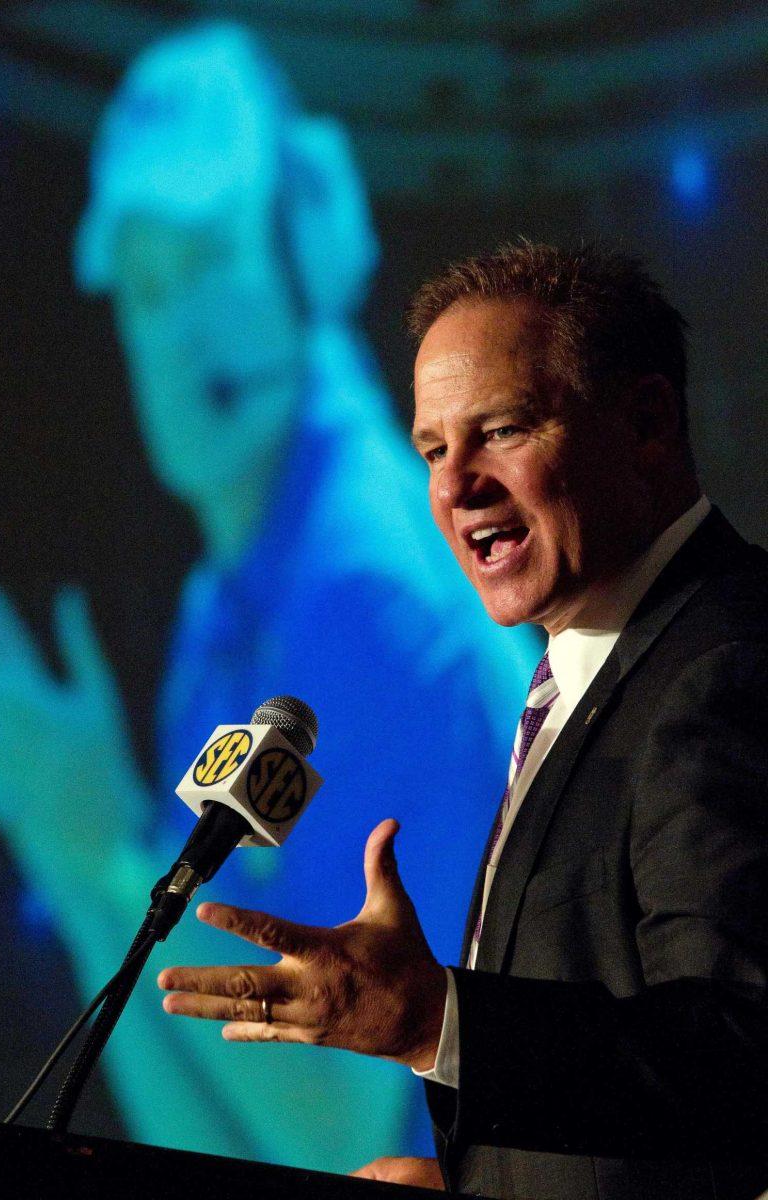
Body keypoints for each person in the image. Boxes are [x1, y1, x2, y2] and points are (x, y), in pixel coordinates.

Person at [0, 25, 536, 1171]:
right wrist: (75, 861)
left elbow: (332, 1132)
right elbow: (201, 1120)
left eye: (209, 260)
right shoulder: (235, 589)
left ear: (303, 251)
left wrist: (103, 840)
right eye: (147, 290)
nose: (178, 332)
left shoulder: (359, 592)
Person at [156, 242, 768, 1200]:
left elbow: (743, 1054)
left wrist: (436, 1018)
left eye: (504, 431)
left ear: (646, 422)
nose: (452, 488)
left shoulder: (727, 663)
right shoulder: (589, 681)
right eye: (434, 449)